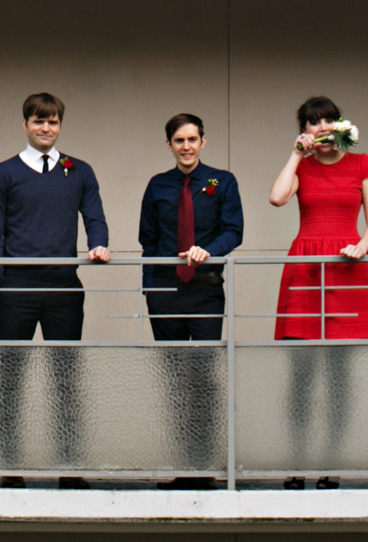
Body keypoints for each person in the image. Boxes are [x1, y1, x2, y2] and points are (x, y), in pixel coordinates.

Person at [0, 92, 109, 480]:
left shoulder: (79, 171)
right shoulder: (4, 173)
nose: (46, 128)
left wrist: (99, 243)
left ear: (60, 126)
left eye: (52, 122)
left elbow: (95, 217)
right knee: (11, 378)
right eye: (39, 121)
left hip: (64, 288)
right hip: (17, 288)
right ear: (25, 125)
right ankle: (10, 466)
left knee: (66, 377)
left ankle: (70, 466)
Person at [267, 96, 368, 489]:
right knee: (300, 373)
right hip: (307, 264)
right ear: (304, 129)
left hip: (348, 266)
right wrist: (296, 155)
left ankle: (330, 466)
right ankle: (296, 464)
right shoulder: (305, 166)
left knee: (339, 374)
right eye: (313, 122)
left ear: (340, 125)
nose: (322, 128)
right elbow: (278, 197)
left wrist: (361, 245)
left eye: (328, 121)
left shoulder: (361, 163)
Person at [136, 113, 243, 488]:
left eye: (192, 139)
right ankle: (185, 467)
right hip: (165, 292)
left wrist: (207, 251)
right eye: (179, 141)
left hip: (205, 289)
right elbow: (147, 240)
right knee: (175, 379)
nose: (186, 147)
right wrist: (149, 287)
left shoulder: (222, 182)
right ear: (169, 145)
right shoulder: (158, 186)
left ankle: (206, 466)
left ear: (203, 142)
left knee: (203, 377)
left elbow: (234, 231)